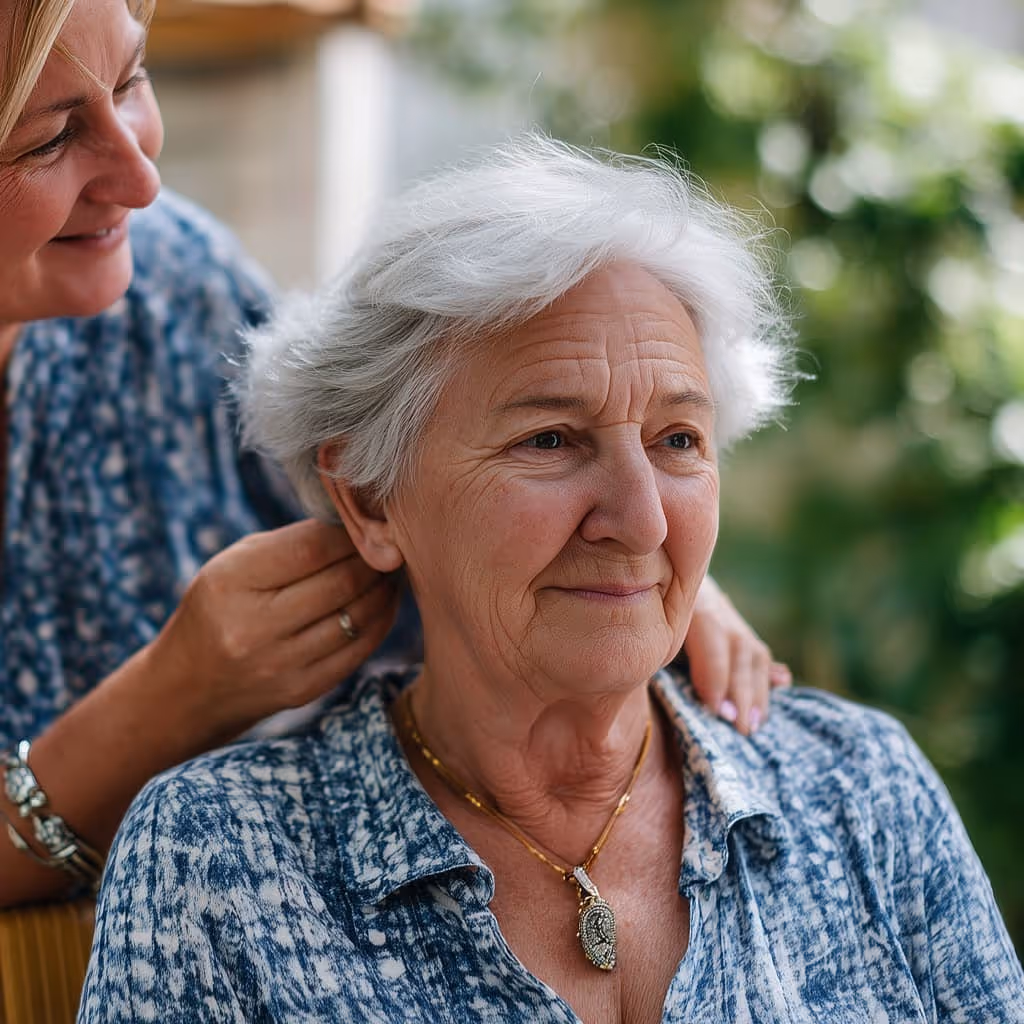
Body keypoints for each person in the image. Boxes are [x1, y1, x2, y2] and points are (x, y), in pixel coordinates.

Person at [79, 136, 1024, 1023]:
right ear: (367, 498)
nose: (643, 519)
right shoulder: (220, 855)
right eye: (550, 440)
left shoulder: (863, 789)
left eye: (678, 441)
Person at [0, 0, 783, 908]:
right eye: (49, 139)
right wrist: (168, 700)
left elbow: (397, 451)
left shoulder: (170, 277)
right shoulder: (214, 855)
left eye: (133, 79)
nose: (140, 177)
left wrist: (642, 549)